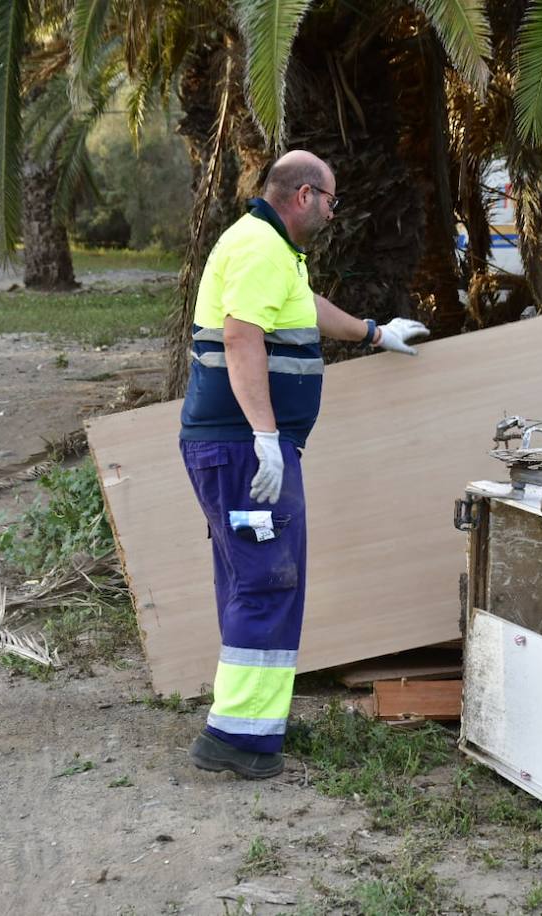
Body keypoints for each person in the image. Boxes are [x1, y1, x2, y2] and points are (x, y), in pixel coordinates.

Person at [178, 150, 428, 778]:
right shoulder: (261, 248)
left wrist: (374, 332)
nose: (334, 212)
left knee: (251, 580)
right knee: (267, 581)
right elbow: (241, 337)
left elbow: (305, 305)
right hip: (245, 448)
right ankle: (235, 741)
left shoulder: (269, 249)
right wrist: (265, 436)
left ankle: (246, 727)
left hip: (240, 445)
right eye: (331, 200)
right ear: (304, 195)